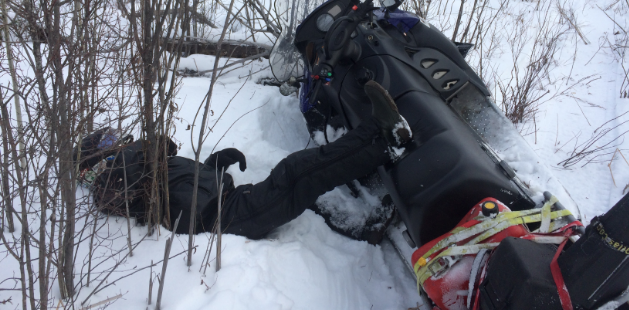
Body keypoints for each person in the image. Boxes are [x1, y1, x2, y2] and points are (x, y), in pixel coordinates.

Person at [74, 81, 412, 239]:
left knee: (299, 172)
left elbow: (176, 181)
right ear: (97, 158)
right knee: (298, 172)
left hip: (233, 202)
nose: (120, 141)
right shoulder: (110, 184)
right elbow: (162, 148)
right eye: (110, 142)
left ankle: (378, 134)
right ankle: (383, 139)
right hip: (232, 215)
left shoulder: (134, 166)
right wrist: (126, 152)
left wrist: (214, 164)